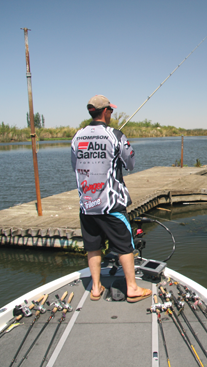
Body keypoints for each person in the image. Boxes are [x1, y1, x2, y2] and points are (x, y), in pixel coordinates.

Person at [71, 95, 152, 303]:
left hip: (87, 205)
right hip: (111, 205)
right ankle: (132, 288)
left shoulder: (77, 136)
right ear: (105, 111)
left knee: (93, 246)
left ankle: (96, 288)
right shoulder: (115, 135)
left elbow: (75, 165)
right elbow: (130, 163)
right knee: (125, 245)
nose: (112, 114)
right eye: (111, 111)